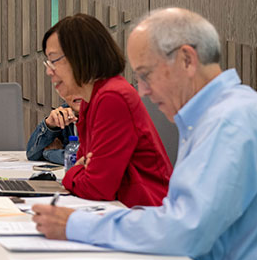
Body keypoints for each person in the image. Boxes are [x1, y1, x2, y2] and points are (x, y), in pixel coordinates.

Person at [32, 8, 257, 260]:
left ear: (187, 60)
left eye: (146, 75)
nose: (143, 91)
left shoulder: (232, 123)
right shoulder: (222, 117)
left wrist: (76, 224)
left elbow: (184, 230)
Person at [41, 13, 172, 207]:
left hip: (146, 213)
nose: (48, 71)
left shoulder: (113, 97)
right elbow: (84, 166)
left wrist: (71, 174)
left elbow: (96, 187)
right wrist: (81, 171)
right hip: (119, 209)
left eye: (54, 61)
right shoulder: (91, 98)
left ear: (80, 56)